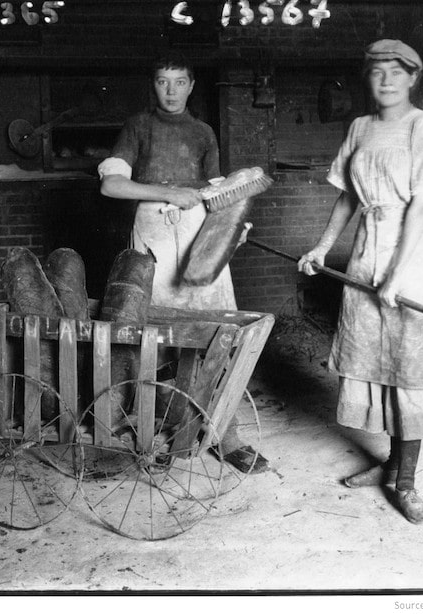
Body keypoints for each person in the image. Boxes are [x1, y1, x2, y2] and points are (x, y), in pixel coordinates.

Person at [297, 39, 423, 523]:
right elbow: (347, 197)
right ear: (368, 78)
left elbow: (421, 206)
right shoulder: (359, 127)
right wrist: (321, 246)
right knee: (376, 360)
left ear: (413, 78)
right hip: (366, 250)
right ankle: (390, 465)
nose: (386, 81)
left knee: (411, 367)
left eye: (397, 72)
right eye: (378, 72)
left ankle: (408, 482)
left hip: (413, 256)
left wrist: (397, 274)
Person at [97, 52, 268, 473]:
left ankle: (226, 435)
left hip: (199, 238)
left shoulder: (203, 133)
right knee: (155, 341)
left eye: (179, 82)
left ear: (191, 86)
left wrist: (234, 226)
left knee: (217, 333)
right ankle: (158, 435)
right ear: (152, 85)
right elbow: (112, 186)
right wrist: (169, 193)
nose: (170, 91)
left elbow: (216, 194)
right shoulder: (138, 127)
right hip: (153, 237)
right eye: (162, 81)